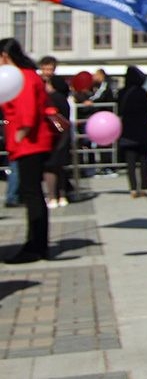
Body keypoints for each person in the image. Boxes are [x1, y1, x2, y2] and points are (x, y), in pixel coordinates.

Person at [1, 38, 54, 263]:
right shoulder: (29, 75)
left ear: (5, 56)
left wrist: (19, 133)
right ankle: (35, 243)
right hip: (32, 142)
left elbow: (26, 111)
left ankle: (35, 246)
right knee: (33, 194)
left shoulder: (20, 76)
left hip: (29, 143)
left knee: (31, 193)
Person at [118, 66, 147, 198]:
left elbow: (118, 111)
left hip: (127, 130)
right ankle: (144, 186)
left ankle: (133, 188)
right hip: (142, 130)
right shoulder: (142, 92)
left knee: (130, 162)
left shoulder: (122, 93)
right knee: (144, 160)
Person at [43, 75, 73, 208]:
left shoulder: (51, 99)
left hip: (53, 137)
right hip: (65, 136)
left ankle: (52, 197)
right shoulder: (65, 99)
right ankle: (62, 196)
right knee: (61, 168)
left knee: (50, 168)